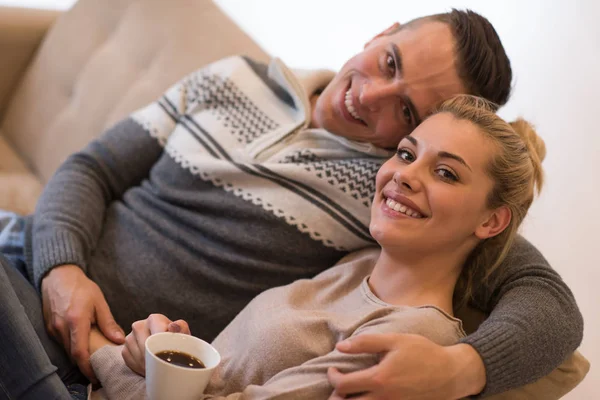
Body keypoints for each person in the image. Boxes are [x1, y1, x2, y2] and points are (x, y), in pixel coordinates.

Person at [0, 9, 581, 399]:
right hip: (31, 261)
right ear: (383, 31)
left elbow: (552, 307)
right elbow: (91, 167)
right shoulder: (235, 78)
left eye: (407, 112)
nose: (369, 95)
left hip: (93, 358)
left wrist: (463, 369)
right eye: (390, 62)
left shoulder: (388, 196)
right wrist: (62, 268)